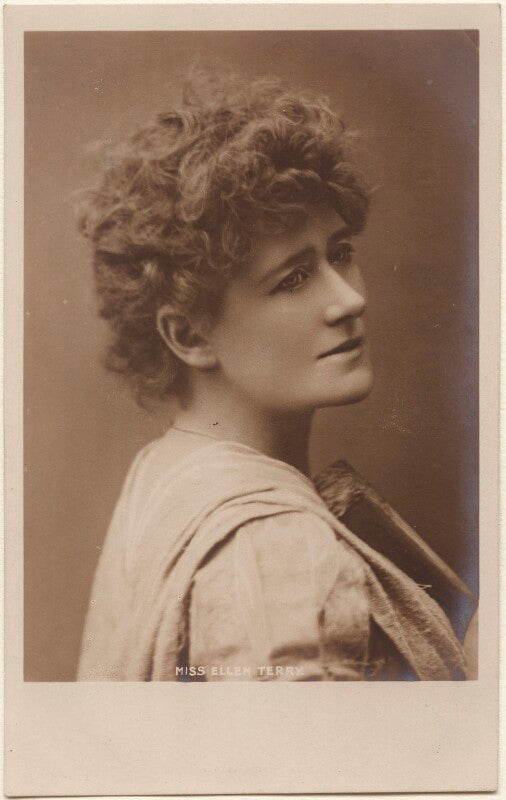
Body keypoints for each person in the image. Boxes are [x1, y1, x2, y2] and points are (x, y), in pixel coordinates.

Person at [77, 70, 471, 681]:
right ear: (189, 336)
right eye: (293, 278)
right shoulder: (276, 549)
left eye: (340, 254)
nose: (349, 300)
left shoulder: (168, 473)